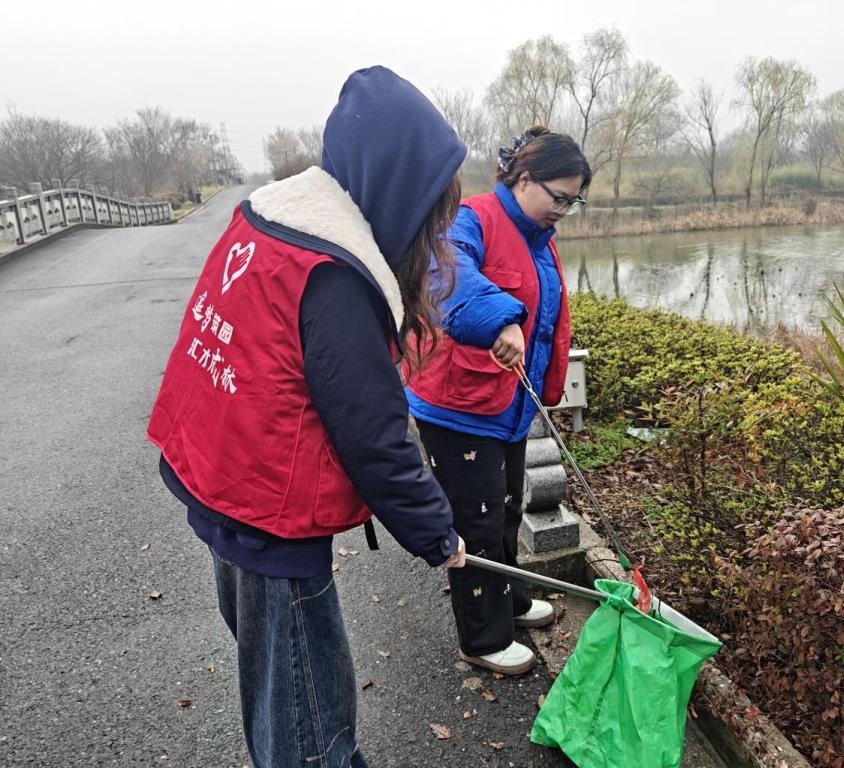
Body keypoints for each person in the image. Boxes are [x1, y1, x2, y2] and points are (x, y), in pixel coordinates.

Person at [146, 66, 467, 768]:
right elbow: (374, 436)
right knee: (307, 728)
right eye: (431, 206)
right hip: (265, 516)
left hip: (221, 484)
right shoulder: (333, 271)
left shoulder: (270, 221)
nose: (435, 228)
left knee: (280, 691)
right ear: (396, 184)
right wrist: (438, 534)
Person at [404, 126, 591, 675]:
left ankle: (510, 602)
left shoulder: (539, 236)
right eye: (559, 197)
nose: (563, 210)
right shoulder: (472, 219)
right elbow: (444, 272)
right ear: (524, 179)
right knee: (477, 522)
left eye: (573, 202)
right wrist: (498, 318)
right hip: (459, 405)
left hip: (506, 403)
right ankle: (482, 639)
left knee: (507, 507)